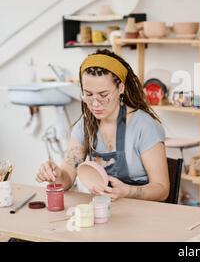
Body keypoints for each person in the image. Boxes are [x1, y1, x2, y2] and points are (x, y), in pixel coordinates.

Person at [36, 49, 169, 202]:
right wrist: (55, 174)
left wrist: (128, 191)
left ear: (121, 88)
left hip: (144, 213)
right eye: (88, 94)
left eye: (103, 95)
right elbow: (66, 178)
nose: (95, 103)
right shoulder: (85, 126)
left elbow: (162, 189)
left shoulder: (144, 126)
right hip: (105, 211)